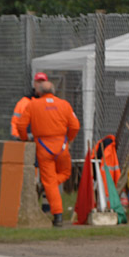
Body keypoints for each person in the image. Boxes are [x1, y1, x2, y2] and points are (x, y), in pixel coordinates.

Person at [17, 80, 80, 227]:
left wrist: (26, 139)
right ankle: (49, 186)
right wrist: (68, 140)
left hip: (44, 147)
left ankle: (58, 215)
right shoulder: (64, 104)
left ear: (39, 92)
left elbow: (20, 125)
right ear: (54, 91)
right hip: (62, 146)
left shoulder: (33, 105)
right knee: (66, 173)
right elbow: (75, 126)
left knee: (50, 181)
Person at [10, 72, 48, 139]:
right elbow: (15, 121)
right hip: (28, 140)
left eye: (43, 82)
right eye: (38, 82)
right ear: (34, 84)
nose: (40, 85)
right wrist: (17, 136)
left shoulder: (52, 102)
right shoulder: (24, 101)